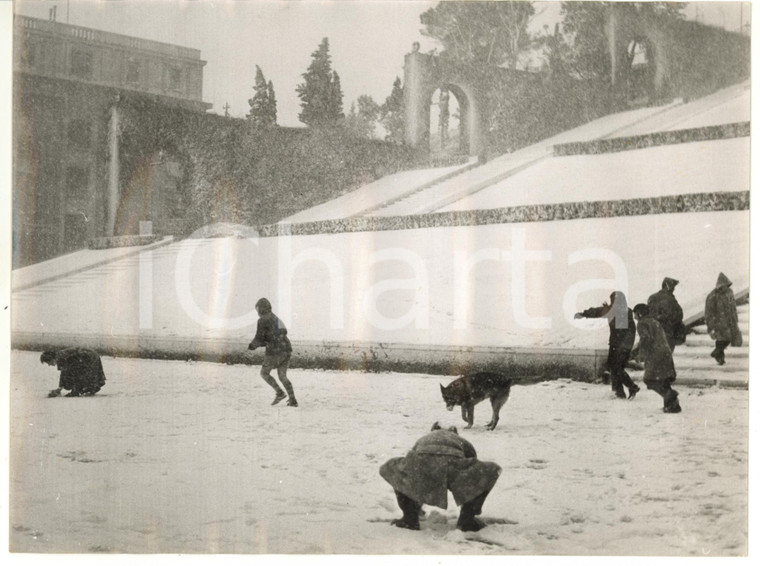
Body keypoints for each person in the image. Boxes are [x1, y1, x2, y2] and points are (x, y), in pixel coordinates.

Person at [380, 422, 501, 532]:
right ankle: (466, 520)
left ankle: (409, 518)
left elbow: (412, 472)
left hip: (420, 463)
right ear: (455, 433)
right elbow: (473, 474)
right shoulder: (460, 440)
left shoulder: (424, 438)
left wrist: (416, 502)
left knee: (398, 470)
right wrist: (473, 505)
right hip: (453, 464)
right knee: (489, 470)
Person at [575, 291, 640, 400]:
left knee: (616, 368)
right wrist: (583, 314)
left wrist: (583, 314)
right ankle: (619, 393)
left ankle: (629, 387)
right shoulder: (620, 310)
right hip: (618, 344)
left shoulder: (621, 312)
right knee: (614, 367)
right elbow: (598, 311)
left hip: (621, 346)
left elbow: (622, 332)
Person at [248, 297, 297, 407]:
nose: (257, 313)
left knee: (264, 373)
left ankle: (279, 393)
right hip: (286, 349)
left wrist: (252, 346)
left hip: (274, 352)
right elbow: (284, 331)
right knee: (282, 376)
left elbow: (259, 338)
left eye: (258, 310)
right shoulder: (276, 318)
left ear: (261, 309)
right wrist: (270, 339)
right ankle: (293, 399)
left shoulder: (262, 320)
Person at [633, 304, 682, 413]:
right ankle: (672, 406)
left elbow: (645, 339)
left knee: (649, 380)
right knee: (664, 379)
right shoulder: (654, 321)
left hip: (655, 354)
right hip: (665, 352)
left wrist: (641, 354)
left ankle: (670, 395)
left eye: (635, 313)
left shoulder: (642, 324)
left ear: (639, 314)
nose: (634, 316)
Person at [704, 272, 743, 366]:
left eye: (727, 285)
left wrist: (735, 319)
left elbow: (733, 307)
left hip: (729, 321)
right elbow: (709, 312)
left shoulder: (729, 292)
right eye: (725, 286)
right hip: (719, 323)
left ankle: (717, 353)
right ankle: (719, 357)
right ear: (720, 285)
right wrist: (711, 324)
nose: (726, 287)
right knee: (721, 339)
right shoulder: (712, 296)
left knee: (727, 339)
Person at [41, 347, 106, 397]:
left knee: (86, 374)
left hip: (88, 356)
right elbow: (64, 374)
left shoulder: (63, 358)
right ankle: (91, 388)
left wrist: (74, 391)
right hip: (90, 354)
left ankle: (91, 388)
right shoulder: (60, 356)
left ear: (52, 358)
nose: (49, 365)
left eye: (48, 362)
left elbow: (76, 373)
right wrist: (59, 389)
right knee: (86, 375)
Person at [647, 277, 685, 351]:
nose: (674, 289)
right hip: (668, 333)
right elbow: (679, 315)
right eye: (673, 287)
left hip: (653, 333)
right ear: (669, 287)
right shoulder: (670, 299)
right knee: (665, 357)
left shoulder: (652, 297)